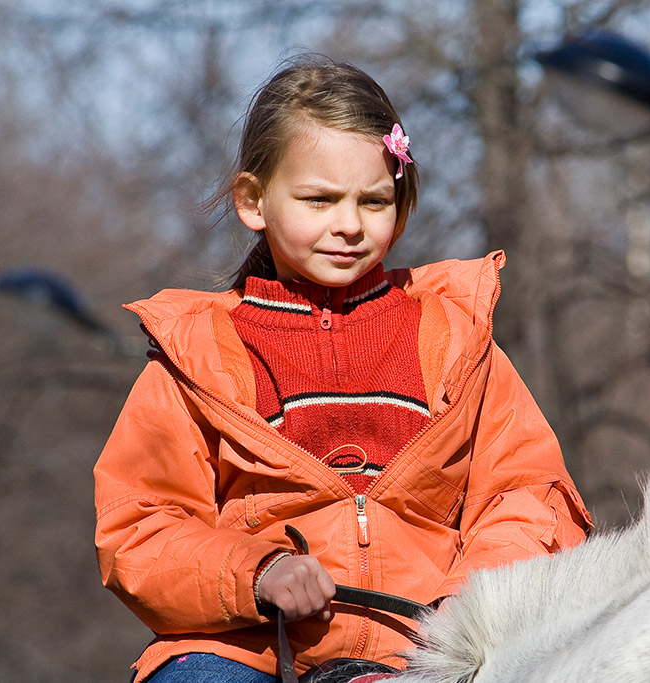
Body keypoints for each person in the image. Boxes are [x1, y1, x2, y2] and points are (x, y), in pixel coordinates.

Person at [94, 55, 591, 683]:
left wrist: (475, 603)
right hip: (247, 651)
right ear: (253, 201)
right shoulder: (196, 358)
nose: (349, 226)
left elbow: (526, 492)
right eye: (319, 200)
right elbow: (142, 526)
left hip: (429, 654)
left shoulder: (458, 342)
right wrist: (258, 573)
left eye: (374, 201)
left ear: (402, 205)